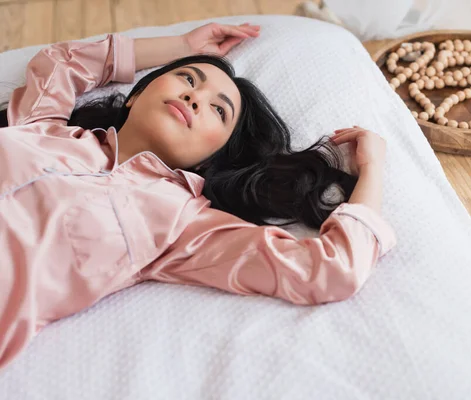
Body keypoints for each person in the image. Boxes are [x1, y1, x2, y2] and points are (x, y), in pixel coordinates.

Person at [0, 22, 396, 370]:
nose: (195, 98)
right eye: (189, 79)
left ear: (213, 160)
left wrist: (373, 169)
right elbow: (60, 60)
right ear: (136, 95)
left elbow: (329, 269)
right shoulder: (44, 127)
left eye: (218, 111)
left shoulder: (182, 224)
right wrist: (182, 45)